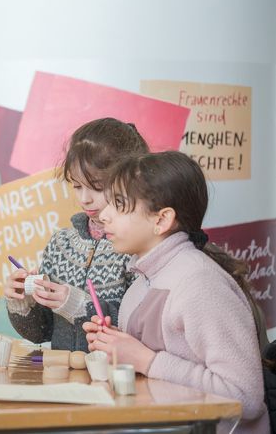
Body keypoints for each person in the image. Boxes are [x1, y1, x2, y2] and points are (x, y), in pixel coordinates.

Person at [83, 151, 267, 433]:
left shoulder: (199, 283)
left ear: (162, 220)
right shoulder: (142, 282)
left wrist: (146, 360)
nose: (103, 215)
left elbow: (245, 397)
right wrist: (117, 348)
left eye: (118, 204)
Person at [4, 118, 149, 351]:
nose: (84, 199)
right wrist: (24, 302)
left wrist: (79, 306)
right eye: (77, 186)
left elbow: (141, 334)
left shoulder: (137, 247)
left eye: (97, 187)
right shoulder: (61, 244)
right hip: (64, 371)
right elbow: (41, 332)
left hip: (114, 371)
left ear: (131, 181)